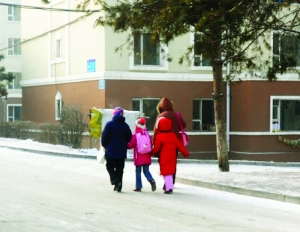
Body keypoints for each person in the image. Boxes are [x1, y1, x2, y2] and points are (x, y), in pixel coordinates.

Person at [153, 97, 187, 185]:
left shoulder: (161, 116)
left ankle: (167, 183)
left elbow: (156, 131)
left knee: (164, 163)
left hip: (162, 144)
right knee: (173, 162)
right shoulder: (177, 114)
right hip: (174, 142)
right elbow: (184, 125)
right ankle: (171, 182)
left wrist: (154, 144)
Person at [151, 117, 189, 194]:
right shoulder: (173, 135)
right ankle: (170, 186)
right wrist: (185, 153)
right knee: (170, 171)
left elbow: (157, 147)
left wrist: (151, 152)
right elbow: (179, 145)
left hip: (164, 157)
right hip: (172, 156)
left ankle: (169, 188)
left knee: (166, 173)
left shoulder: (159, 136)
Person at [101, 107, 132, 192]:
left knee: (109, 166)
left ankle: (115, 180)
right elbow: (129, 138)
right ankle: (119, 185)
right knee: (120, 168)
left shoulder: (109, 124)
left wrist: (104, 145)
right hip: (121, 152)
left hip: (110, 151)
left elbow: (104, 136)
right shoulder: (125, 126)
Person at [127, 117, 156, 192]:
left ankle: (138, 186)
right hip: (147, 156)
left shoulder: (135, 136)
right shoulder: (147, 135)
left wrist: (125, 145)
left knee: (138, 171)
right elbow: (151, 144)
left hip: (139, 157)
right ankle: (151, 180)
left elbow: (130, 146)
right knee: (146, 171)